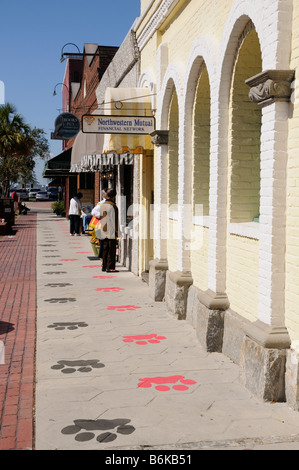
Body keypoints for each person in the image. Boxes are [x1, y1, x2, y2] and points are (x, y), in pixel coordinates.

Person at [99, 188, 119, 272]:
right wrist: (117, 231)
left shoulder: (102, 205)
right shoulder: (113, 206)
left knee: (105, 248)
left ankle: (104, 266)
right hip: (111, 230)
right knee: (111, 249)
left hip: (103, 229)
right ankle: (110, 267)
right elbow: (114, 220)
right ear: (114, 196)